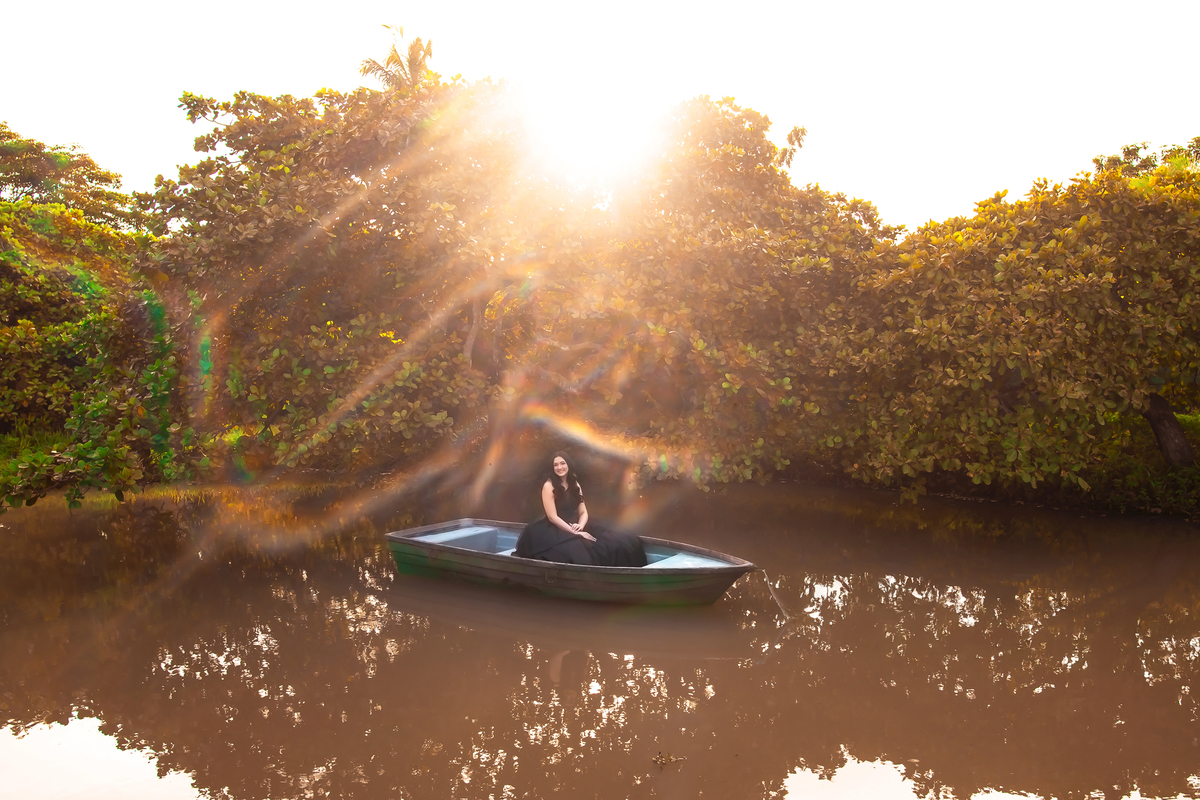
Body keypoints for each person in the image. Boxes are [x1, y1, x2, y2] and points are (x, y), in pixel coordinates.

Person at [515, 452, 647, 567]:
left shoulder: (575, 484)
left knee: (617, 537)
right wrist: (575, 533)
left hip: (575, 523)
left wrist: (581, 526)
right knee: (577, 549)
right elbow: (552, 517)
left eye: (562, 463)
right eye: (556, 465)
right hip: (555, 526)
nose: (559, 467)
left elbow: (583, 512)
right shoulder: (549, 486)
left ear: (568, 465)